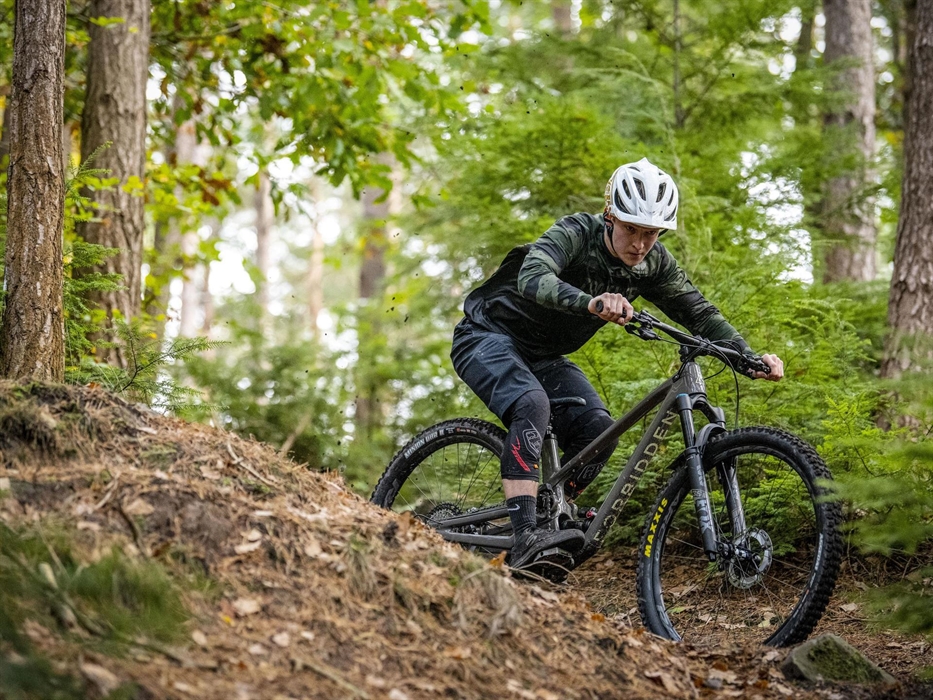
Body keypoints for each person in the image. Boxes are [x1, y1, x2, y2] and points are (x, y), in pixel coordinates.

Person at [449, 157, 784, 571]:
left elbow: (699, 313)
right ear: (610, 217)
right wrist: (590, 301)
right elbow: (532, 276)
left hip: (542, 357)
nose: (640, 244)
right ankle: (525, 535)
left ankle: (552, 514)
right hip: (485, 336)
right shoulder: (576, 233)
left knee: (598, 431)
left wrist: (747, 357)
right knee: (532, 403)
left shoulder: (654, 263)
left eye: (651, 233)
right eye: (631, 229)